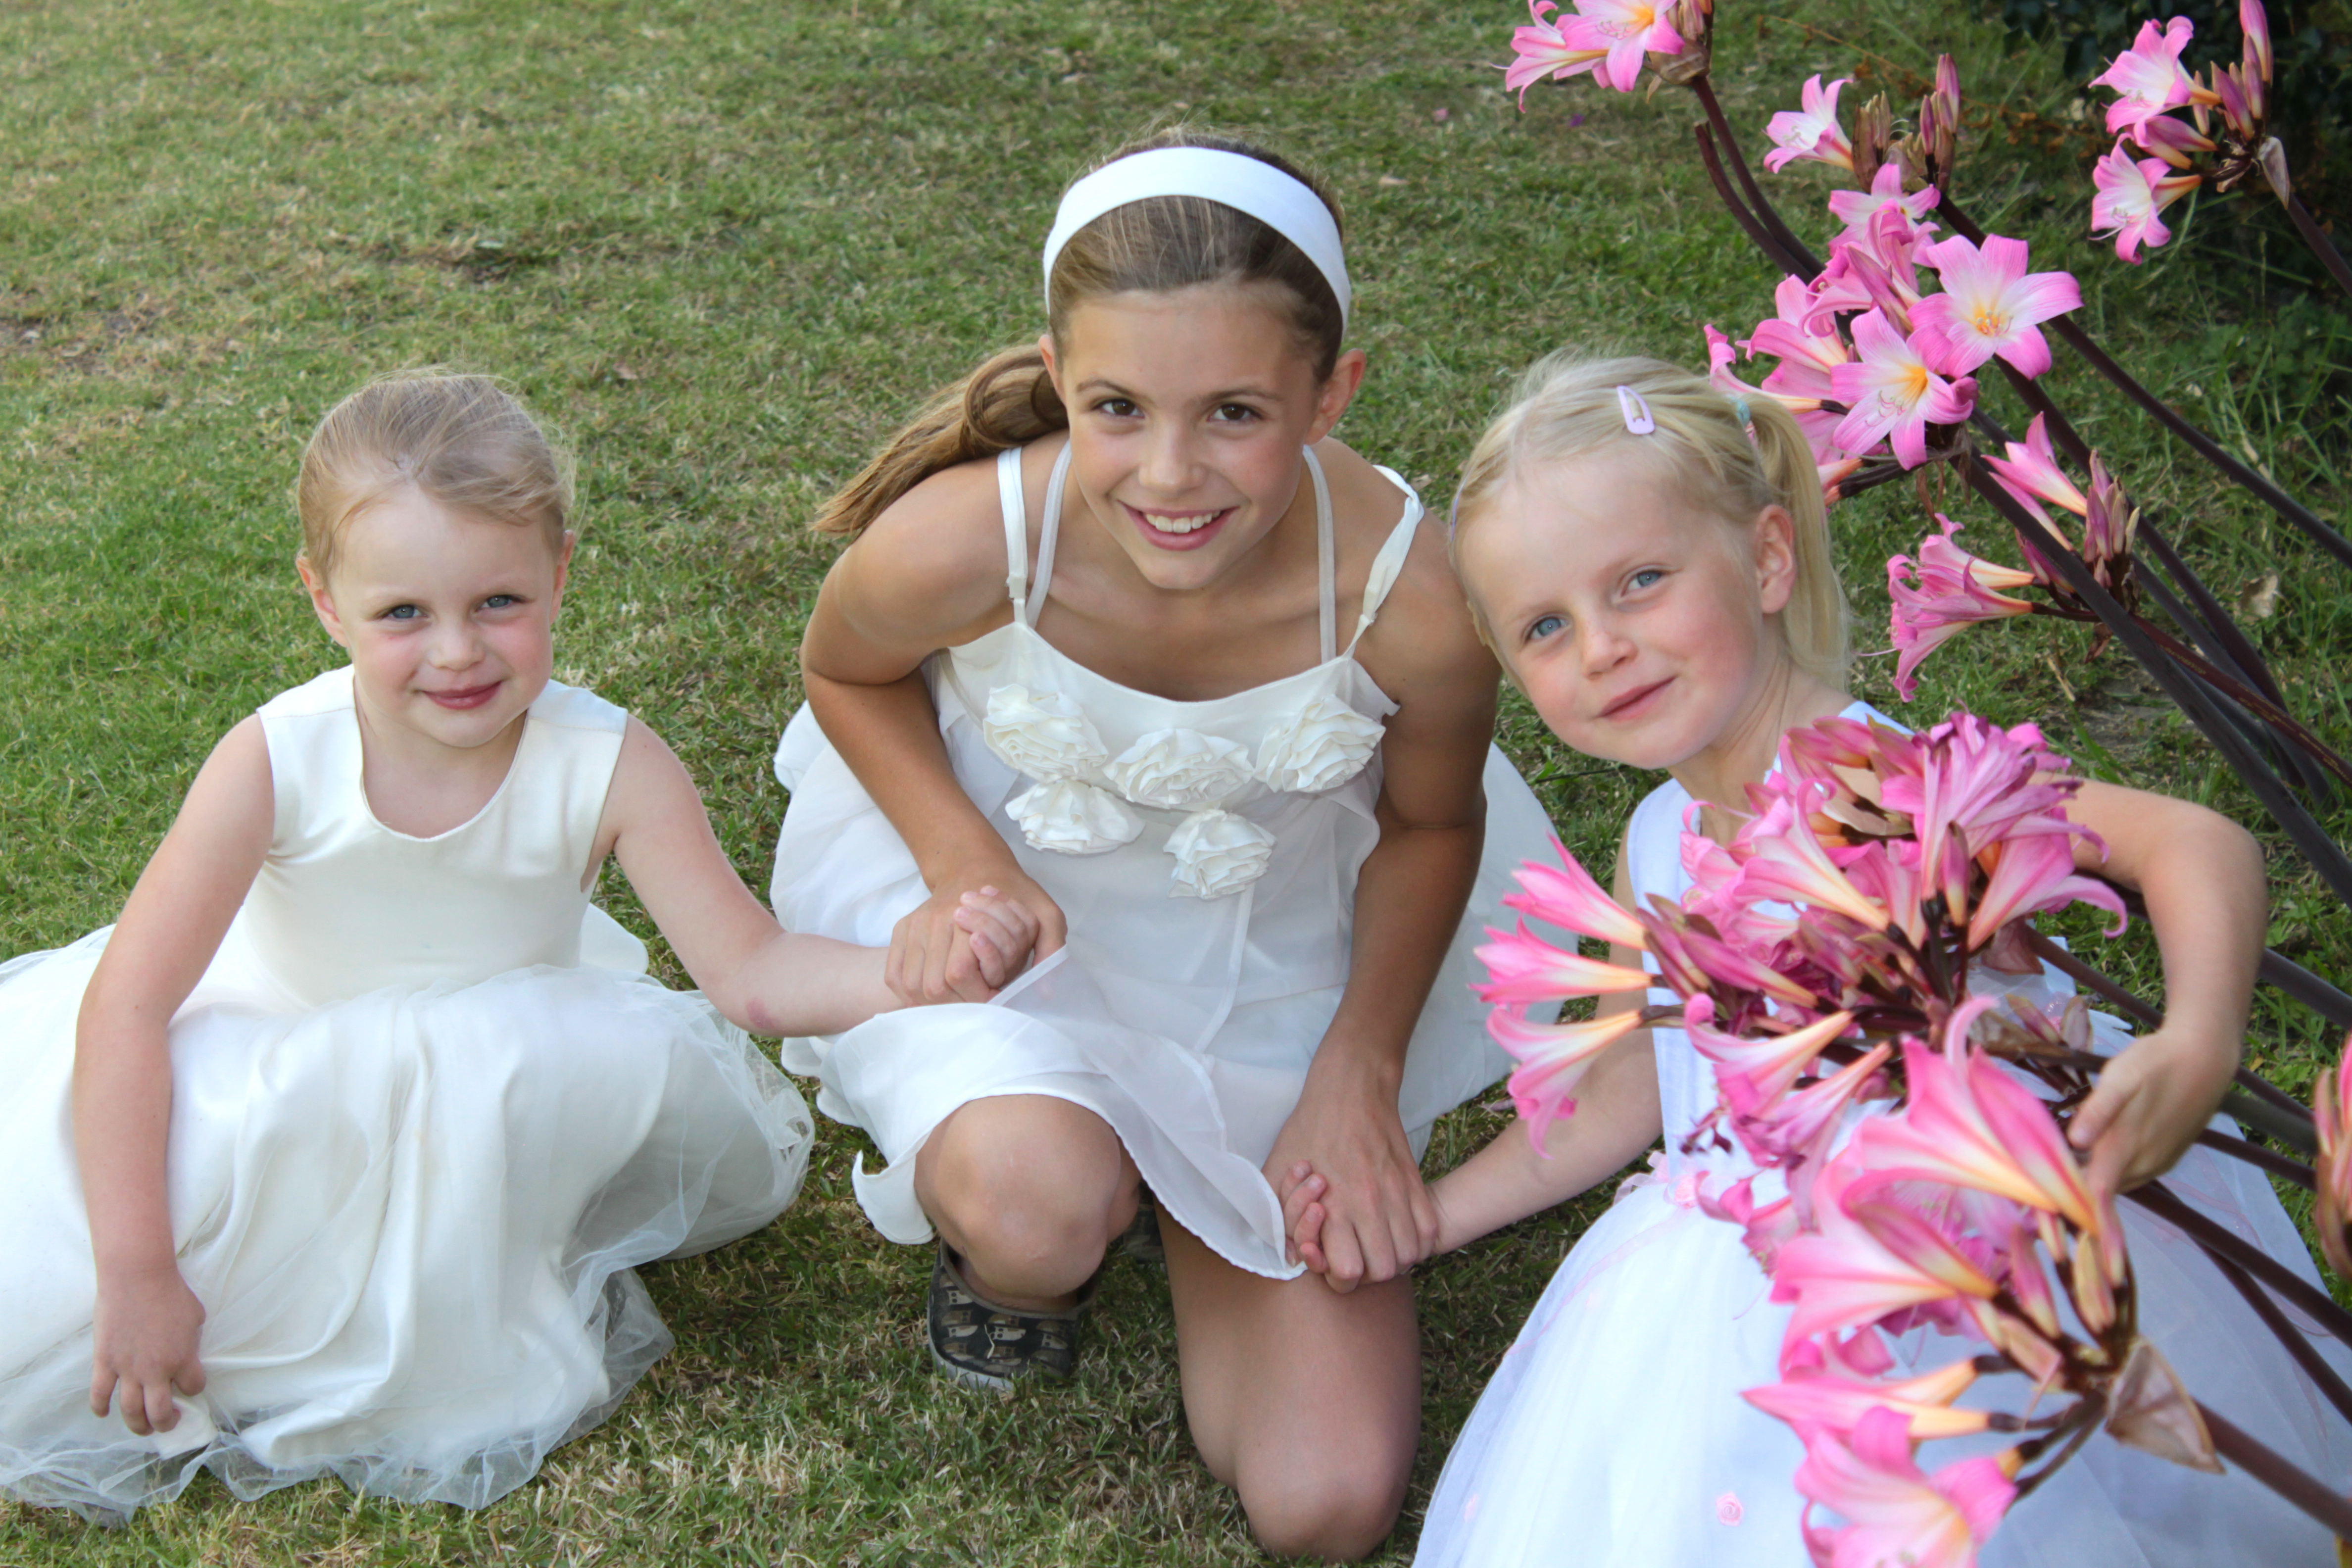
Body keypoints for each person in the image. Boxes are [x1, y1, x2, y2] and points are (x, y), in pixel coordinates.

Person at [1293, 352, 2352, 1566]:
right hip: (1740, 1269)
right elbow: (1635, 1093)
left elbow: (2193, 843)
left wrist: (2198, 1039)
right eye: (1546, 626)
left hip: (1981, 1240)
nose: (1602, 648)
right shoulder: (1660, 838)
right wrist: (1431, 1219)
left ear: (1766, 560)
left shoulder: (1885, 782)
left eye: (1640, 582)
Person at [0, 372, 1032, 1520]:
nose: (457, 652)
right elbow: (128, 1010)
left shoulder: (611, 763)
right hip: (269, 1066)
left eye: (498, 602)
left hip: (500, 1081)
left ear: (560, 574)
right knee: (122, 1268)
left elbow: (752, 973)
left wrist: (910, 973)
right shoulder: (274, 761)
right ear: (325, 602)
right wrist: (137, 1267)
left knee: (462, 1214)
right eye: (403, 614)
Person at [765, 129, 1558, 1558]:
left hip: (1269, 944)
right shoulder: (969, 537)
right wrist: (963, 864)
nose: (1172, 475)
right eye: (1119, 409)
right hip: (1006, 904)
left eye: (1236, 414)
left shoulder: (1412, 597)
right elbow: (846, 671)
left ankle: (1184, 1166)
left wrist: (1356, 1074)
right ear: (1060, 377)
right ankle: (1052, 1218)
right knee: (1034, 1206)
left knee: (1325, 1505)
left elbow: (1434, 822)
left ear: (1332, 395)